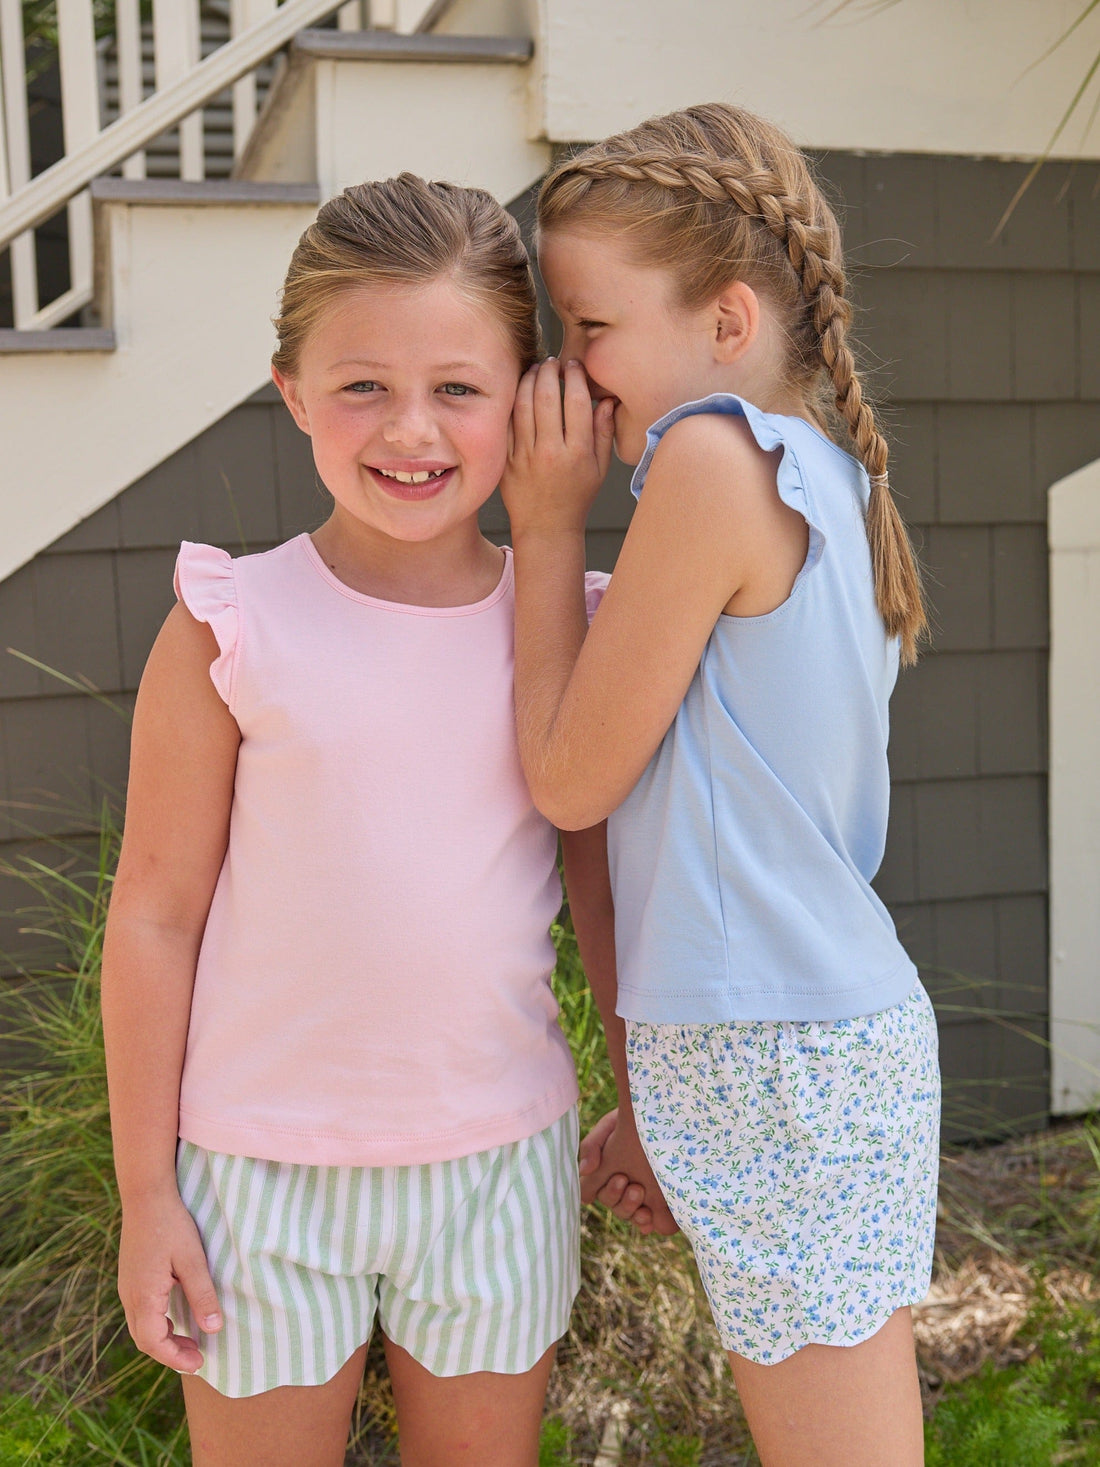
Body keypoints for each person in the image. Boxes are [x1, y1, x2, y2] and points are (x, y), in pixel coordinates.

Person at [100, 173, 668, 1467]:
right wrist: (148, 1196)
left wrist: (640, 1098)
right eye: (362, 384)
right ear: (292, 389)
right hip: (255, 1177)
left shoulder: (563, 626)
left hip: (493, 1171)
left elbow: (605, 895)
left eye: (459, 388)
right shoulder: (228, 627)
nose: (410, 428)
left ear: (526, 399)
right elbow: (153, 916)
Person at [500, 103, 942, 1467]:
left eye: (588, 327)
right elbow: (698, 831)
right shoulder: (823, 478)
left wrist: (544, 520)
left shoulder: (711, 458)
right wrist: (648, 1094)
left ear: (729, 323)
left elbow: (571, 779)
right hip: (780, 1040)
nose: (565, 372)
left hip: (781, 1057)